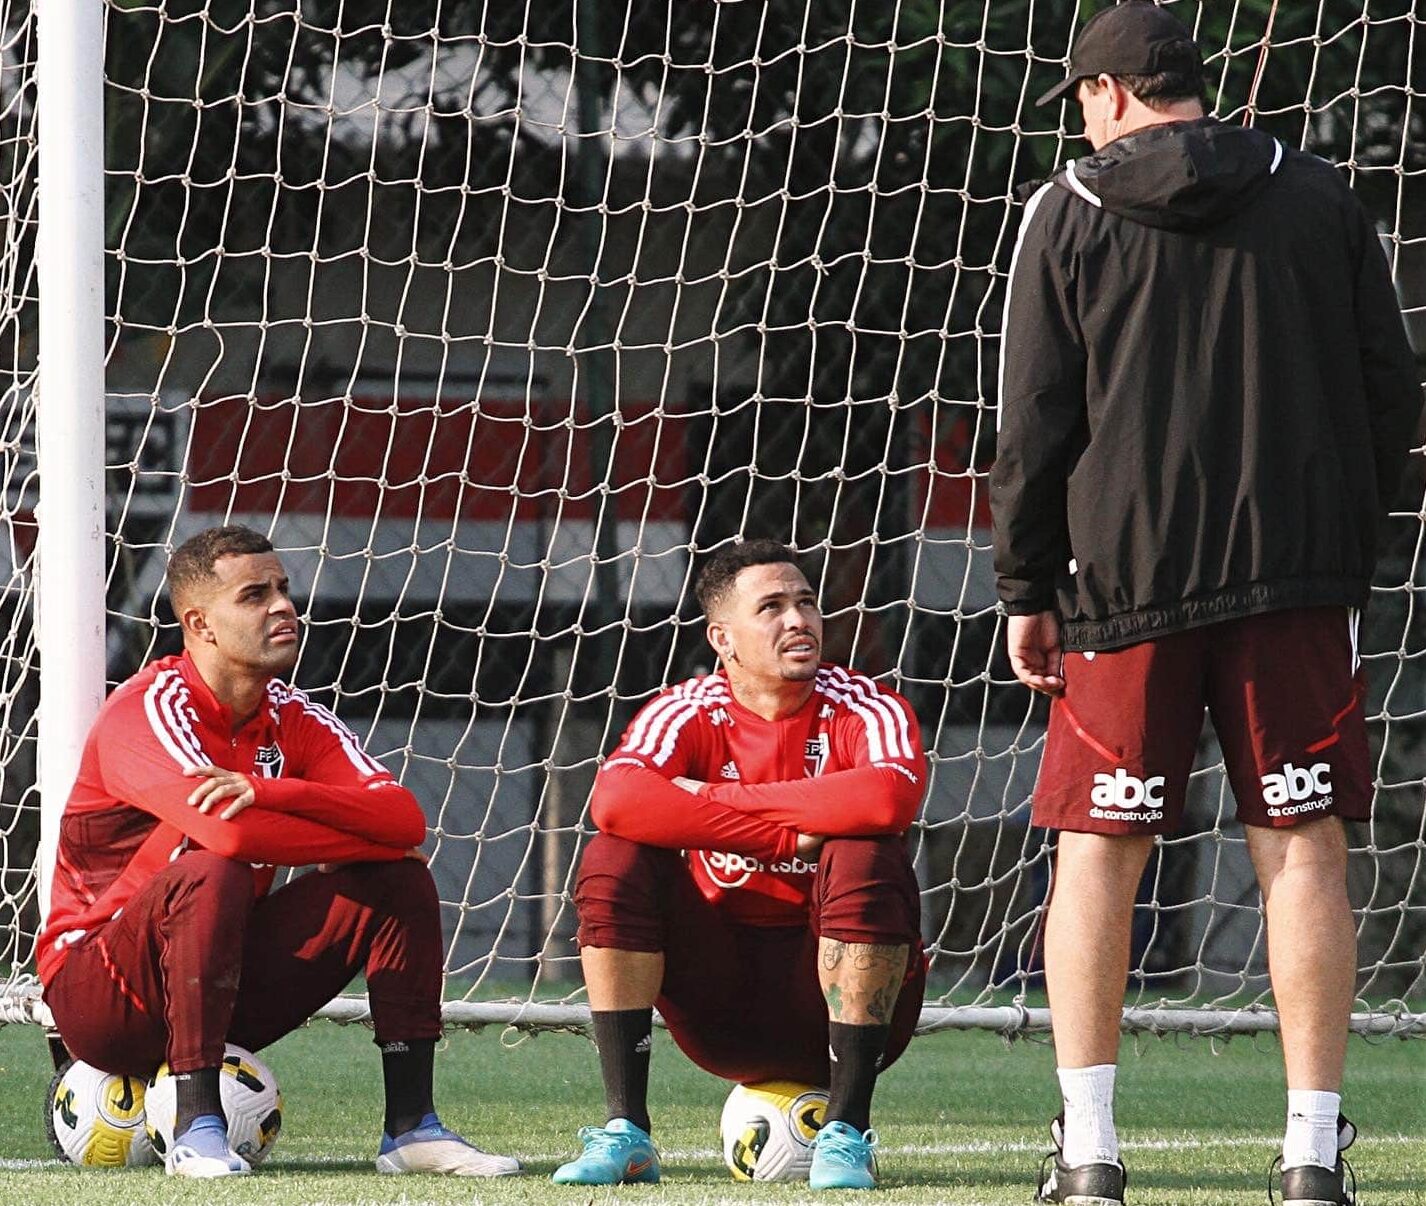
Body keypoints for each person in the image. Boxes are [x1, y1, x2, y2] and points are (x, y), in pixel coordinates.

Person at [991, 4, 1422, 1204]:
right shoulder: (1320, 195)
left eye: (1081, 96)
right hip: (1293, 577)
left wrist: (1026, 586)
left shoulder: (1067, 209)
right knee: (1301, 847)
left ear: (1111, 94)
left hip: (1120, 582)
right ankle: (1308, 1151)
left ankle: (1087, 1150)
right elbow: (1393, 383)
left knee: (1097, 851)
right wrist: (1347, 529)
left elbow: (1032, 423)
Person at [38, 525, 522, 1179]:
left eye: (285, 590)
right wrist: (336, 830)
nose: (282, 606)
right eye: (255, 594)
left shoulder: (294, 716)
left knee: (396, 880)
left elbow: (404, 820)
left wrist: (275, 791)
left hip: (216, 978)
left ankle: (412, 1129)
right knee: (214, 870)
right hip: (103, 996)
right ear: (200, 624)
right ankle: (197, 1126)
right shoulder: (147, 710)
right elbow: (229, 838)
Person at [551, 539, 927, 1191]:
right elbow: (616, 800)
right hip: (719, 1000)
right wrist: (784, 839)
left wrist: (718, 798)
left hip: (837, 1003)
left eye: (806, 603)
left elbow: (887, 796)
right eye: (773, 607)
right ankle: (626, 1132)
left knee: (866, 851)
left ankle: (847, 1131)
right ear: (722, 637)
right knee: (613, 859)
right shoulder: (689, 710)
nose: (798, 620)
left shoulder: (865, 706)